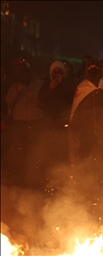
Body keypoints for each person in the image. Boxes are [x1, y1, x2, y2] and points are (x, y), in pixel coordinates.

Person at [68, 58, 103, 196]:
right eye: (90, 66)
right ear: (86, 69)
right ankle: (90, 192)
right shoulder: (81, 88)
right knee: (88, 161)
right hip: (87, 133)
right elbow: (76, 111)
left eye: (95, 66)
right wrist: (75, 131)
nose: (93, 68)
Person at [5, 59, 44, 187]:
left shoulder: (39, 84)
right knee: (18, 151)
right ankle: (18, 179)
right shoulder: (15, 84)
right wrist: (17, 90)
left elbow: (44, 103)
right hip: (19, 122)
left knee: (33, 151)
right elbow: (8, 102)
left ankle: (33, 180)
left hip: (34, 122)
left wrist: (34, 98)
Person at [38, 60, 79, 171]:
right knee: (50, 147)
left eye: (59, 70)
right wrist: (50, 88)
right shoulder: (47, 84)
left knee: (63, 147)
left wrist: (63, 83)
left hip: (64, 121)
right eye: (55, 70)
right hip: (49, 122)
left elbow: (73, 97)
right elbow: (40, 98)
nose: (57, 72)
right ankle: (50, 170)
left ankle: (64, 170)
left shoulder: (69, 83)